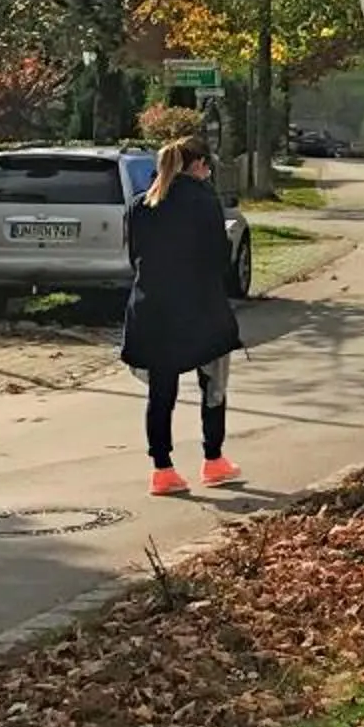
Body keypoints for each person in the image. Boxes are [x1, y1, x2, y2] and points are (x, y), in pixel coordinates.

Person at [123, 132, 244, 495]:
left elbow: (135, 259)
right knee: (213, 386)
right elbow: (220, 259)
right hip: (201, 309)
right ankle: (214, 460)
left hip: (152, 309)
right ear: (199, 165)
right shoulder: (203, 201)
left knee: (161, 393)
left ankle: (162, 470)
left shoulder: (139, 205)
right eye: (208, 167)